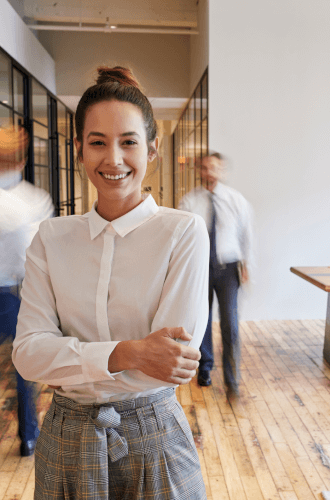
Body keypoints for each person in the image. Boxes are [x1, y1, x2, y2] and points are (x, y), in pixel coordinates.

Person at [12, 67, 209, 499]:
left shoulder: (183, 232)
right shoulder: (51, 237)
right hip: (65, 439)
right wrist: (130, 352)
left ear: (152, 149)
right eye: (98, 142)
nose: (113, 159)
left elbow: (173, 359)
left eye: (129, 142)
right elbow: (28, 355)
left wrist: (71, 360)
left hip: (154, 435)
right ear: (80, 150)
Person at [178, 152, 253, 398]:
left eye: (215, 168)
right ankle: (205, 368)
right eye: (206, 168)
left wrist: (247, 265)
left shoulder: (235, 200)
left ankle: (232, 379)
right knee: (203, 320)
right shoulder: (190, 201)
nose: (210, 172)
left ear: (222, 172)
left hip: (229, 267)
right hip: (200, 268)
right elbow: (182, 237)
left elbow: (246, 235)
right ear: (200, 171)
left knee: (230, 322)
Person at [0, 125, 54, 457]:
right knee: (24, 369)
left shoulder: (33, 201)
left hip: (15, 293)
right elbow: (38, 256)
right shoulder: (35, 200)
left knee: (24, 369)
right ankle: (29, 437)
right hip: (16, 294)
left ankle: (29, 436)